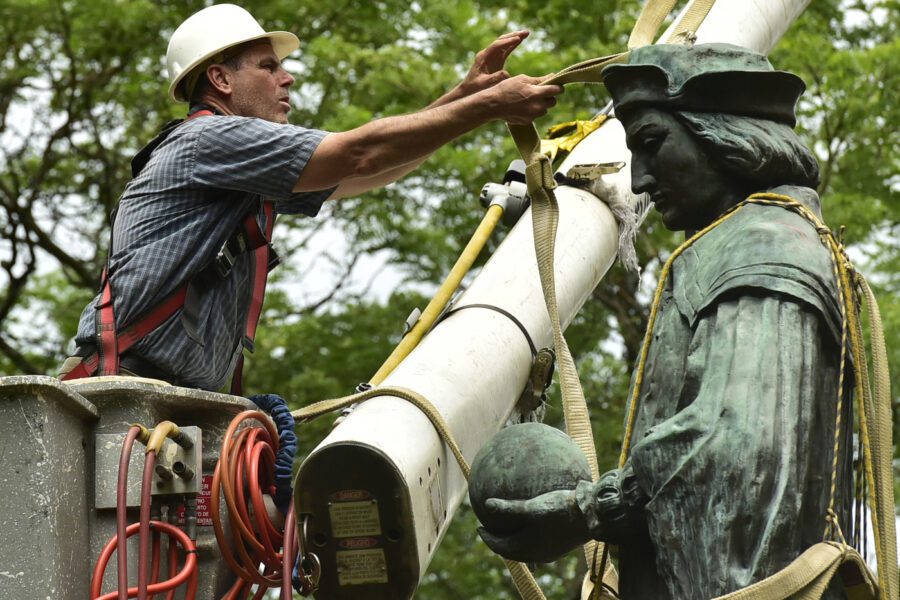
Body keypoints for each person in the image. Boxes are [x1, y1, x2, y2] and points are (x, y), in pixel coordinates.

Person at [475, 43, 854, 599]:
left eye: (652, 144)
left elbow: (733, 449)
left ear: (725, 135)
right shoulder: (763, 242)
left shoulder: (759, 247)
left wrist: (588, 509)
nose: (640, 180)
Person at [59, 4, 563, 392]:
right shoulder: (206, 142)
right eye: (268, 66)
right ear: (220, 79)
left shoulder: (241, 169)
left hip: (165, 400)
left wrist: (467, 98)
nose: (288, 77)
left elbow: (372, 171)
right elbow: (359, 155)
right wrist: (486, 107)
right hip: (120, 394)